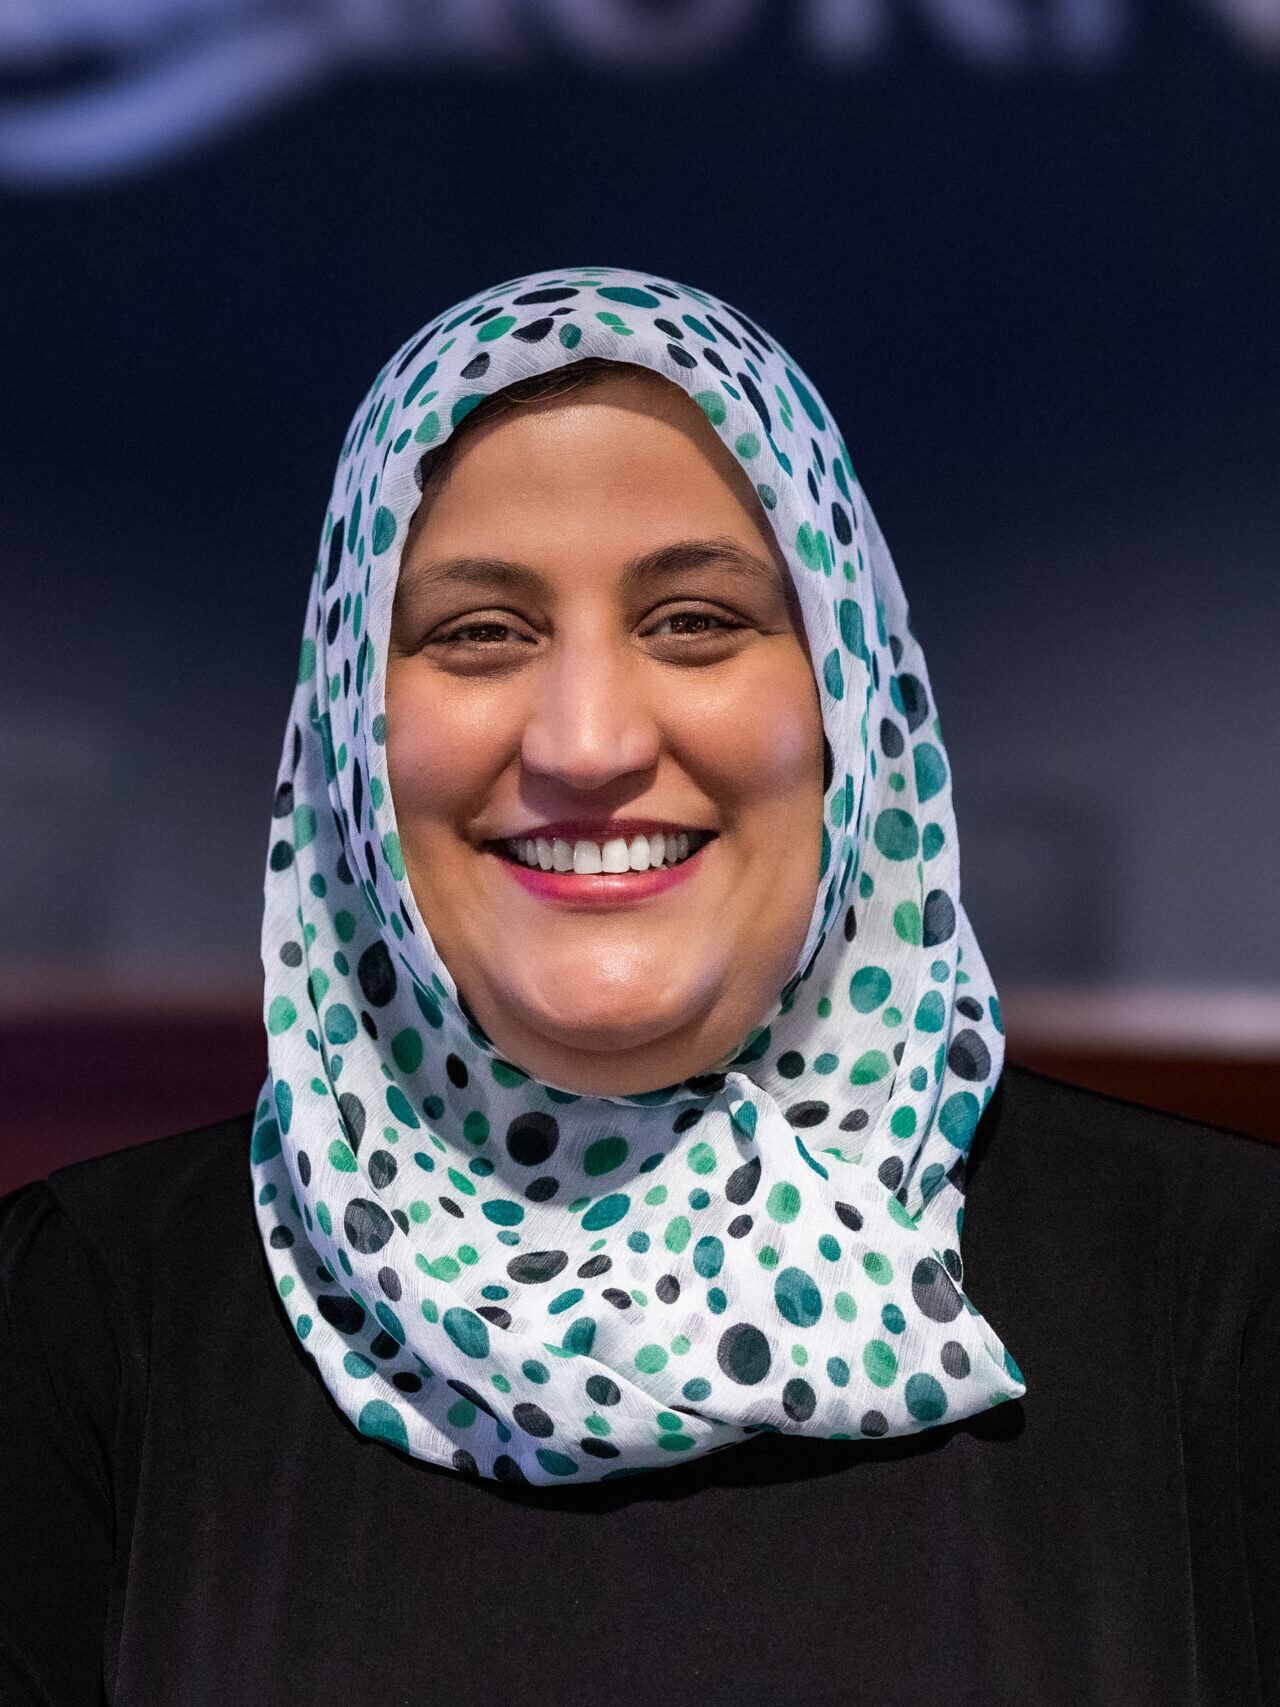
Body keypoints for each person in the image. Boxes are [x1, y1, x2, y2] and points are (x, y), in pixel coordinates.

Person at [1, 267, 1276, 1707]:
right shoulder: (89, 1328)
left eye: (695, 621)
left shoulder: (1225, 1307)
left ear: (849, 696)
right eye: (480, 632)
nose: (589, 742)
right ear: (352, 727)